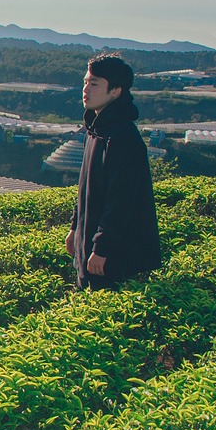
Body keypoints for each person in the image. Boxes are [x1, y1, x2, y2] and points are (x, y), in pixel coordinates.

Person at [65, 52, 161, 289]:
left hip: (115, 258)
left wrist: (102, 248)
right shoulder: (95, 131)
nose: (86, 89)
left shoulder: (123, 138)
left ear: (116, 91)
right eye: (85, 82)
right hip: (91, 248)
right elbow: (85, 189)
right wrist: (74, 228)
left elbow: (120, 201)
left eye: (94, 84)